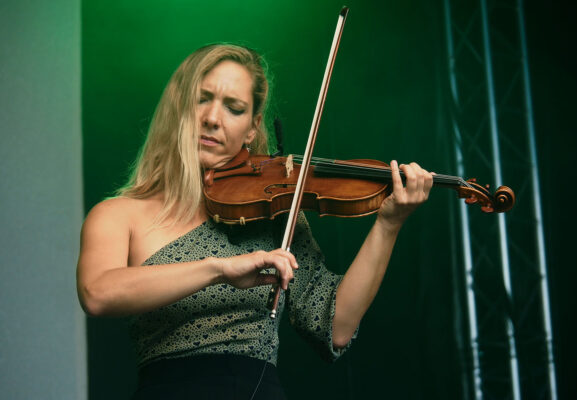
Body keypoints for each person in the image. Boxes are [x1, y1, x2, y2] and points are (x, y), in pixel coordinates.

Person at [76, 44, 433, 399]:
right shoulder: (117, 214)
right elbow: (98, 293)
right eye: (202, 98)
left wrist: (388, 225)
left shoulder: (274, 214)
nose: (213, 118)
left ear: (252, 128)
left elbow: (335, 326)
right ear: (177, 106)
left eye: (234, 108)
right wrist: (219, 268)